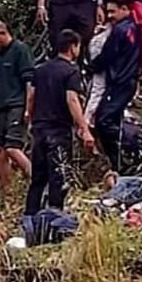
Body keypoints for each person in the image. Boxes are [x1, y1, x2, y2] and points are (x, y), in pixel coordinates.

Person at [24, 30, 95, 216]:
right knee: (58, 176)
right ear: (73, 47)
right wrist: (84, 128)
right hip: (58, 129)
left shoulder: (40, 69)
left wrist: (30, 118)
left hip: (39, 128)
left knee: (38, 178)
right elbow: (72, 99)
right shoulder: (71, 71)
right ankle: (55, 217)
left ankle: (30, 216)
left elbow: (31, 96)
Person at [91, 0, 142, 171]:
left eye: (113, 11)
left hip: (119, 82)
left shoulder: (120, 30)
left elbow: (107, 55)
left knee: (103, 121)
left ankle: (133, 144)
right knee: (113, 118)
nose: (109, 15)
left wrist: (91, 66)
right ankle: (121, 162)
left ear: (124, 9)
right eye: (108, 12)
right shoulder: (133, 27)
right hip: (128, 81)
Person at [0, 21, 34, 196]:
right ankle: (7, 193)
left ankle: (40, 181)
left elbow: (30, 81)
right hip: (1, 106)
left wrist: (28, 108)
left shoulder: (20, 50)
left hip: (17, 105)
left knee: (13, 147)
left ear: (1, 33)